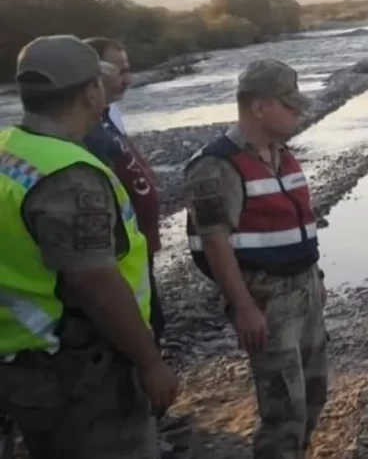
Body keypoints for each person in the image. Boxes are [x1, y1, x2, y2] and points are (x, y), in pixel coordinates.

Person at [0, 35, 179, 459]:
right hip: (80, 374)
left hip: (27, 360)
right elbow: (94, 280)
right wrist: (150, 361)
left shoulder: (12, 151)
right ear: (90, 92)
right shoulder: (70, 175)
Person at [182, 59, 327, 459]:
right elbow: (215, 241)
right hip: (266, 295)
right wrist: (244, 306)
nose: (297, 112)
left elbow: (300, 222)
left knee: (314, 393)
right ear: (258, 107)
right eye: (289, 104)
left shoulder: (283, 154)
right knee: (284, 408)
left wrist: (317, 277)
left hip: (304, 288)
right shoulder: (217, 165)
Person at [81, 38, 166, 344]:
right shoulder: (84, 131)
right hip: (120, 258)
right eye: (121, 70)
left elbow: (126, 156)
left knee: (152, 321)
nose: (127, 78)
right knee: (136, 330)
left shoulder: (107, 116)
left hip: (137, 250)